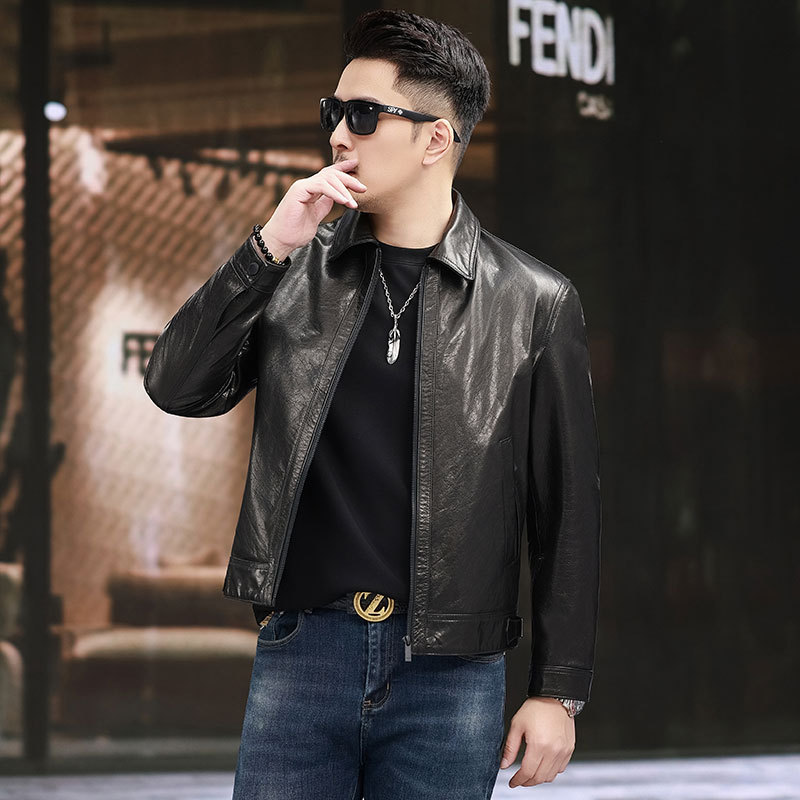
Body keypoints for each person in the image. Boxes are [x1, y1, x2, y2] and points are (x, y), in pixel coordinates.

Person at [143, 9, 601, 798]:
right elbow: (176, 385)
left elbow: (567, 512)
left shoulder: (533, 301)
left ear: (435, 139)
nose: (337, 135)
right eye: (333, 112)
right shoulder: (294, 269)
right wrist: (271, 246)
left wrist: (558, 690)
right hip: (303, 652)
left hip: (450, 673)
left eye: (361, 115)